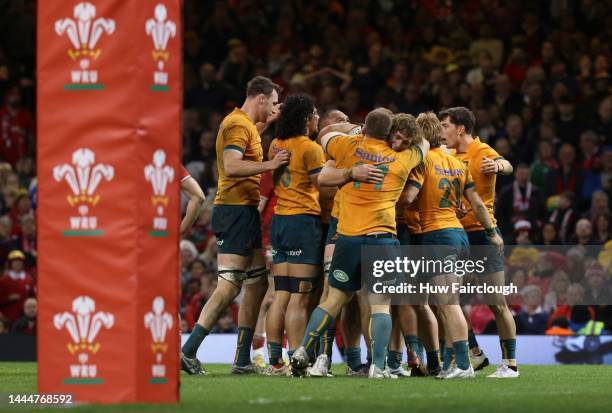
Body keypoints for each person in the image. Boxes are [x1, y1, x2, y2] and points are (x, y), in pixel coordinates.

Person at [292, 108, 429, 379]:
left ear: (365, 127)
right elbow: (423, 142)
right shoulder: (403, 158)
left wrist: (356, 131)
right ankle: (378, 366)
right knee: (380, 304)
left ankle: (301, 352)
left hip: (347, 239)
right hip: (382, 240)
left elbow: (324, 135)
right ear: (391, 134)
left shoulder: (346, 145)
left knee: (333, 300)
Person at [181, 76, 289, 375]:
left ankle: (242, 359)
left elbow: (249, 140)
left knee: (256, 283)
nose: (275, 108)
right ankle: (188, 351)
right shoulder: (237, 125)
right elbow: (231, 165)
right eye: (274, 102)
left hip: (244, 211)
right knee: (229, 287)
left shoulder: (245, 125)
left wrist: (267, 125)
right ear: (261, 98)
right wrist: (270, 165)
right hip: (234, 211)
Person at [400, 112, 503, 379]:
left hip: (436, 235)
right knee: (445, 303)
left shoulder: (422, 161)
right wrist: (492, 232)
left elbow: (409, 196)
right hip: (459, 234)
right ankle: (452, 362)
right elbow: (477, 204)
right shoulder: (457, 163)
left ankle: (464, 364)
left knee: (448, 304)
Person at [440, 107, 519, 378]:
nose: (442, 132)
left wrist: (499, 166)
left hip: (482, 235)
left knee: (496, 301)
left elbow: (507, 165)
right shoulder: (449, 155)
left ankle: (510, 364)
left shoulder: (482, 151)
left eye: (446, 126)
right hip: (456, 234)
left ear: (460, 128)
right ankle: (473, 354)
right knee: (447, 300)